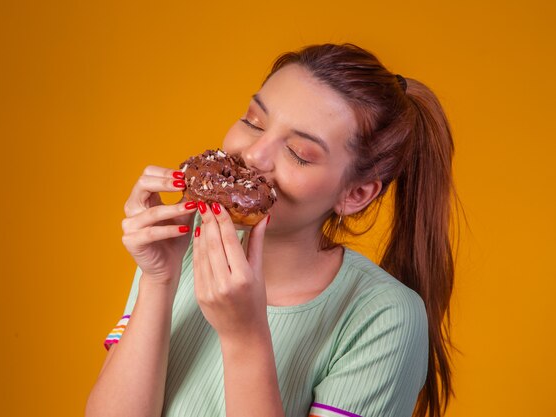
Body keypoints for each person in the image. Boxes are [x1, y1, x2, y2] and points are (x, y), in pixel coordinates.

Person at [85, 43, 457, 417]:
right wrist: (158, 281)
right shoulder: (182, 245)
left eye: (298, 152)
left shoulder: (384, 317)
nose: (254, 155)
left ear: (355, 194)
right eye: (253, 122)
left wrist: (245, 339)